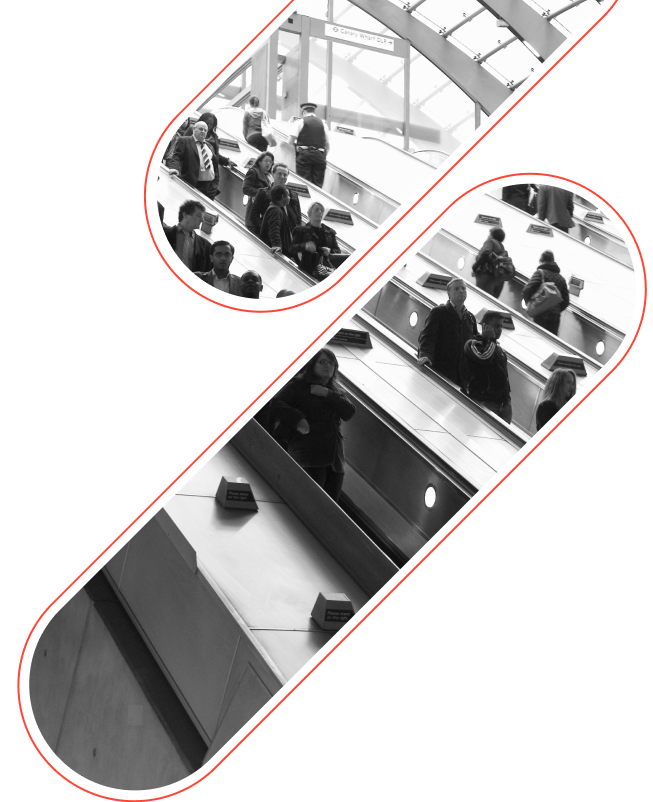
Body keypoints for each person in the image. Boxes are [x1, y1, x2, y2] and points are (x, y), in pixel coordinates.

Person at [270, 349, 355, 503]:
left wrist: (327, 393)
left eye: (331, 363)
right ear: (312, 364)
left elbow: (349, 412)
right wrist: (298, 419)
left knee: (330, 506)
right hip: (308, 454)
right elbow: (276, 403)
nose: (328, 366)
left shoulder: (336, 391)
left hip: (334, 460)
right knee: (308, 501)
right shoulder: (299, 385)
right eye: (322, 362)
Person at [417, 278, 478, 385]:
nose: (461, 291)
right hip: (441, 371)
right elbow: (428, 337)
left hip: (462, 377)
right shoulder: (439, 312)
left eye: (463, 288)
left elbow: (474, 345)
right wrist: (426, 355)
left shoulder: (470, 318)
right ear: (449, 294)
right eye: (457, 288)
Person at [461, 311, 512, 424]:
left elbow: (505, 379)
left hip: (501, 405)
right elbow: (484, 358)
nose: (500, 330)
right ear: (486, 327)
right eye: (497, 326)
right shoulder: (473, 344)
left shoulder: (499, 351)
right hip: (482, 400)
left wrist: (507, 401)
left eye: (501, 326)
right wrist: (491, 340)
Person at [167, 120, 236, 201]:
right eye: (200, 129)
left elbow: (216, 158)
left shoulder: (209, 145)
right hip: (194, 184)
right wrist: (174, 168)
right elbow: (177, 156)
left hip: (210, 187)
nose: (203, 131)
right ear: (194, 129)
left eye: (205, 130)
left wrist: (227, 161)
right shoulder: (184, 141)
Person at [290, 202, 349, 279]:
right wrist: (305, 246)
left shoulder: (329, 232)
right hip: (308, 269)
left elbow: (337, 250)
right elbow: (292, 248)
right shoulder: (301, 230)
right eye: (317, 210)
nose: (320, 212)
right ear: (309, 213)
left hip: (326, 269)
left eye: (321, 210)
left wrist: (329, 250)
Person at [522, 250, 570, 336]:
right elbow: (566, 301)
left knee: (539, 337)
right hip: (555, 315)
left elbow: (527, 289)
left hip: (540, 311)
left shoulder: (540, 273)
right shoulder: (561, 279)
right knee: (551, 341)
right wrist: (556, 308)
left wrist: (530, 303)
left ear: (542, 261)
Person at [250, 163, 301, 237]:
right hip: (270, 235)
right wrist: (263, 229)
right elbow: (254, 215)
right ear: (272, 174)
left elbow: (298, 218)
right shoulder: (263, 193)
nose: (282, 177)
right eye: (279, 174)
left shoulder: (293, 195)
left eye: (285, 175)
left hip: (289, 236)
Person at [161, 200, 211, 273]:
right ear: (185, 215)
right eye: (199, 215)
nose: (202, 220)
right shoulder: (166, 232)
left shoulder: (205, 245)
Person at [288, 102, 330, 188]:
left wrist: (296, 155)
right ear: (314, 111)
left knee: (304, 184)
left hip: (304, 156)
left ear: (303, 112)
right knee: (318, 186)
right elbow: (327, 145)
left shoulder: (300, 122)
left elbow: (290, 141)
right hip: (319, 157)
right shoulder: (323, 124)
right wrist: (322, 156)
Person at [471, 226, 514, 299]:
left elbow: (486, 253)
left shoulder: (490, 242)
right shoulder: (502, 248)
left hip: (486, 277)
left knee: (481, 299)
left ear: (491, 235)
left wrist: (474, 267)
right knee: (491, 302)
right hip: (498, 280)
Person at [243, 151, 274, 233]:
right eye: (266, 161)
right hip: (254, 209)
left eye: (270, 162)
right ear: (259, 162)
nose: (268, 163)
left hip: (265, 211)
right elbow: (246, 188)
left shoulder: (269, 176)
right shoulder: (253, 172)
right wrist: (262, 193)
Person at [260, 186, 294, 257]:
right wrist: (277, 245)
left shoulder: (277, 209)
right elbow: (274, 229)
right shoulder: (275, 210)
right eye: (288, 195)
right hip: (276, 252)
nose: (289, 198)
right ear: (282, 197)